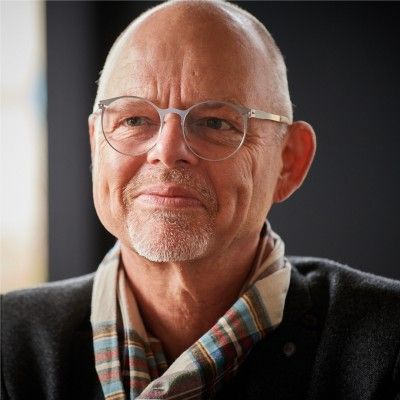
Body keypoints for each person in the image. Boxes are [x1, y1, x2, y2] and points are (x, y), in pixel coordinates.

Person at [2, 1, 399, 399]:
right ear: (96, 146)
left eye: (214, 122)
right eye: (134, 120)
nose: (167, 150)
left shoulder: (389, 345)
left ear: (288, 162)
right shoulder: (8, 345)